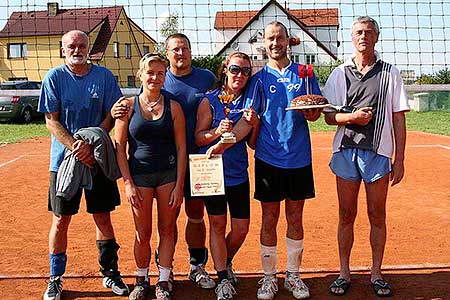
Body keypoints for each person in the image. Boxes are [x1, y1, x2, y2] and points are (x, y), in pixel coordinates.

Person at [113, 33, 217, 290]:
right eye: (175, 50)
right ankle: (152, 275)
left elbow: (225, 99)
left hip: (201, 159)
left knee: (196, 216)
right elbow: (125, 135)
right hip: (153, 168)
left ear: (190, 51)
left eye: (184, 48)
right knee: (147, 229)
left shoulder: (207, 78)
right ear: (167, 54)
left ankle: (195, 266)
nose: (180, 53)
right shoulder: (147, 89)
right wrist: (114, 112)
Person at [38, 30, 129, 300]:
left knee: (103, 217)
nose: (77, 49)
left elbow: (113, 115)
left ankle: (110, 273)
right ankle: (55, 278)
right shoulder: (54, 77)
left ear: (89, 48)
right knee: (61, 219)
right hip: (64, 160)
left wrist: (90, 143)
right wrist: (76, 146)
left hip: (98, 159)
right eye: (72, 46)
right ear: (63, 50)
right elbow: (52, 120)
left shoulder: (103, 77)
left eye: (82, 45)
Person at [322, 16, 409, 297]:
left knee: (377, 214)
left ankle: (376, 273)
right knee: (346, 214)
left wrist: (400, 158)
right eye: (359, 32)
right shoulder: (339, 73)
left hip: (377, 153)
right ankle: (344, 272)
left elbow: (398, 118)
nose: (363, 37)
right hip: (346, 152)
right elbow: (329, 116)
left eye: (369, 32)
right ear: (351, 37)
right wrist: (353, 118)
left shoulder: (389, 73)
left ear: (376, 37)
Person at [245, 21, 322, 300]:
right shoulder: (258, 79)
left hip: (299, 156)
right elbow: (250, 116)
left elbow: (314, 112)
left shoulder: (305, 72)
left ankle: (293, 275)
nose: (275, 43)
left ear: (288, 41)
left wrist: (312, 112)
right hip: (268, 157)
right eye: (270, 39)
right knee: (269, 218)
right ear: (264, 43)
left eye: (279, 38)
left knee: (295, 217)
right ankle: (268, 278)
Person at [114, 53, 186, 300]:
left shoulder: (173, 107)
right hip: (139, 178)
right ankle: (141, 278)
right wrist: (127, 184)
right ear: (141, 75)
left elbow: (181, 148)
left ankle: (164, 280)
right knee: (142, 233)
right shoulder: (128, 106)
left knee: (167, 229)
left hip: (167, 176)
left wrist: (179, 184)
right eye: (150, 72)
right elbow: (119, 147)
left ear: (165, 77)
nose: (155, 77)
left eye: (160, 73)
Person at [195, 52, 259, 300]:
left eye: (245, 71)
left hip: (237, 173)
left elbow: (251, 142)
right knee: (217, 225)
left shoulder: (248, 102)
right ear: (224, 70)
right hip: (211, 172)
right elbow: (199, 138)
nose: (240, 75)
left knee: (241, 228)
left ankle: (224, 259)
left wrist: (255, 125)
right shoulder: (209, 101)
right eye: (235, 69)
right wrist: (215, 133)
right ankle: (222, 277)